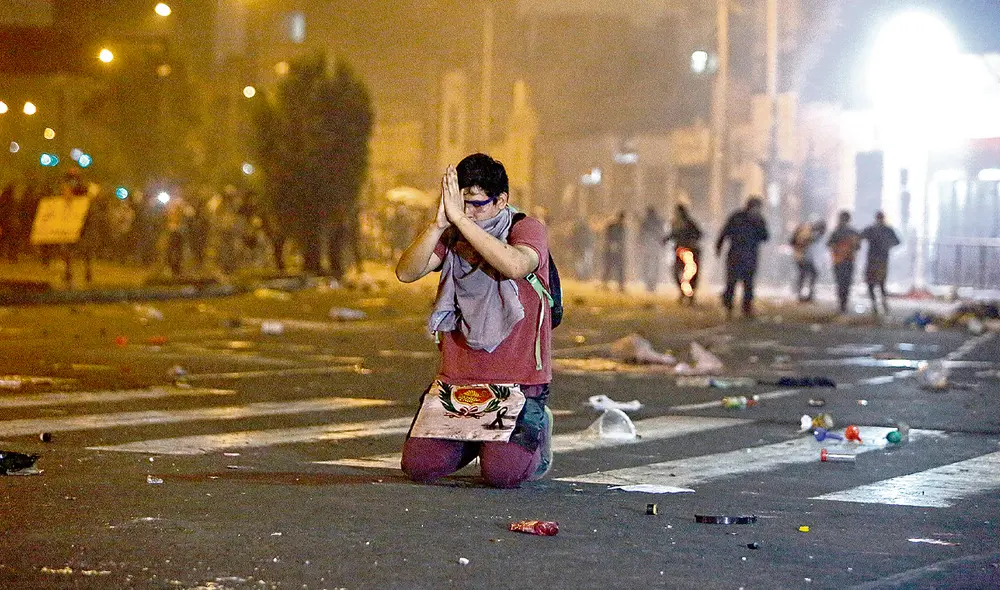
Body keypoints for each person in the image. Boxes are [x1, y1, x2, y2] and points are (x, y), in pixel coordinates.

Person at [394, 153, 553, 489]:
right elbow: (406, 272)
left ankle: (533, 435)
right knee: (420, 467)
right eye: (461, 204)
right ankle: (478, 438)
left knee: (503, 474)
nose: (468, 213)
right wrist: (438, 224)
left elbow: (514, 265)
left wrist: (461, 222)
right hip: (460, 379)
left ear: (502, 201)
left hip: (517, 379)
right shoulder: (452, 232)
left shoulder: (525, 228)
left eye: (478, 204)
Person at [716, 196, 769, 319]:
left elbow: (765, 237)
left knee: (748, 284)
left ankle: (746, 307)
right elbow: (725, 232)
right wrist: (718, 247)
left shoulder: (759, 220)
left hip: (750, 256)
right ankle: (728, 304)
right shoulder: (736, 217)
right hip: (736, 255)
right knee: (731, 282)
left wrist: (758, 225)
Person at [860, 211, 901, 315]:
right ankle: (881, 304)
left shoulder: (873, 229)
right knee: (880, 284)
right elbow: (897, 242)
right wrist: (887, 245)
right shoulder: (886, 230)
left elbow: (860, 236)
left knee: (874, 284)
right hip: (880, 260)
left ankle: (877, 305)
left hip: (874, 260)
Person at [666, 203, 703, 305]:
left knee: (690, 275)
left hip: (690, 252)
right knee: (676, 273)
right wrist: (666, 239)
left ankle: (690, 295)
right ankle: (683, 292)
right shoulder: (675, 224)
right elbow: (672, 235)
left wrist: (691, 241)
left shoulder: (690, 224)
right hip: (679, 252)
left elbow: (699, 234)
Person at [827, 210, 861, 313]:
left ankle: (841, 304)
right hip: (849, 261)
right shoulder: (853, 232)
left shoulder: (836, 231)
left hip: (838, 261)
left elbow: (829, 244)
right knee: (846, 283)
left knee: (839, 282)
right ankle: (844, 303)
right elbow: (858, 246)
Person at [790, 218, 826, 302]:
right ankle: (802, 295)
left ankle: (806, 295)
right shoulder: (807, 229)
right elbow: (801, 242)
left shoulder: (810, 230)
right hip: (801, 257)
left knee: (806, 275)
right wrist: (811, 240)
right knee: (806, 275)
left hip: (804, 257)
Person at [637, 206, 666, 292]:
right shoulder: (658, 222)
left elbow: (641, 234)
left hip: (649, 247)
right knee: (653, 266)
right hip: (654, 247)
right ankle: (652, 284)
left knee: (647, 266)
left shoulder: (646, 222)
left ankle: (649, 283)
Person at [603, 211, 626, 291]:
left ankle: (607, 284)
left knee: (610, 268)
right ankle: (619, 286)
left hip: (613, 250)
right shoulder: (619, 227)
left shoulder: (613, 226)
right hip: (615, 250)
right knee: (616, 268)